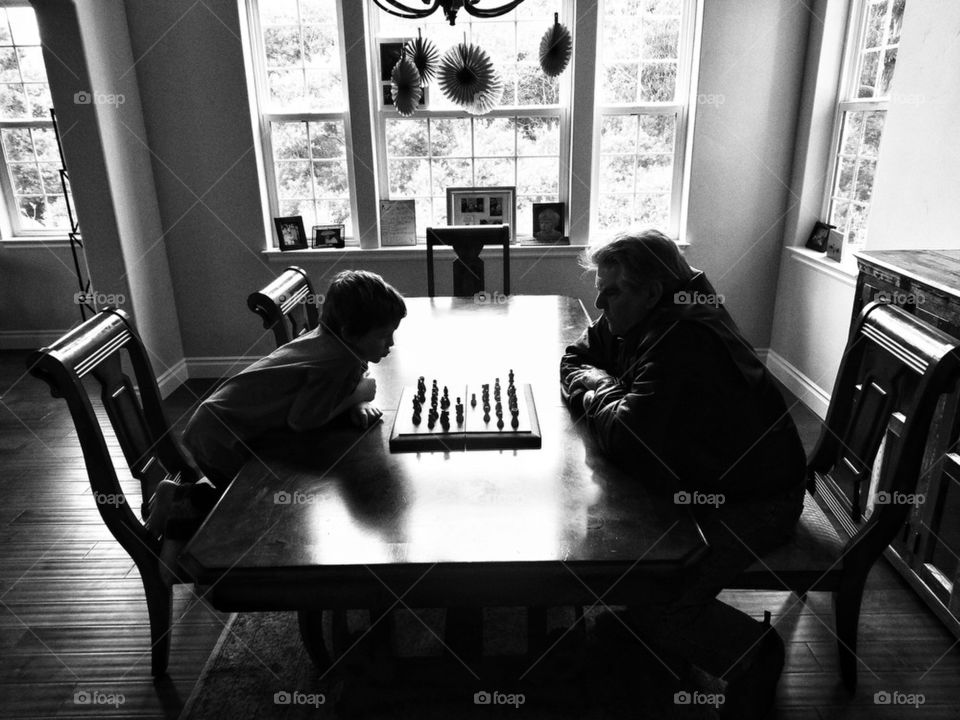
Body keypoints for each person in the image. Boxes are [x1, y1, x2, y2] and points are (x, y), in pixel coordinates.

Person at [560, 230, 806, 719]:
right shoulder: (647, 310)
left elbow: (628, 437)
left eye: (611, 292)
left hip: (752, 500)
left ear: (651, 291)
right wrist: (604, 385)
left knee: (657, 594)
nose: (600, 303)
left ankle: (756, 654)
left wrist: (595, 390)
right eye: (600, 291)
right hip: (698, 482)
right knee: (623, 582)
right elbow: (577, 357)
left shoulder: (685, 336)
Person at [149, 270, 406, 583]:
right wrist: (358, 394)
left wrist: (350, 402)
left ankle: (179, 495)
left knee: (255, 495)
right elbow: (303, 420)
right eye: (384, 335)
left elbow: (315, 400)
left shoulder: (329, 338)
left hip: (217, 423)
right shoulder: (339, 360)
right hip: (224, 435)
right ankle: (182, 514)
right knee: (255, 505)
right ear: (352, 333)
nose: (391, 343)